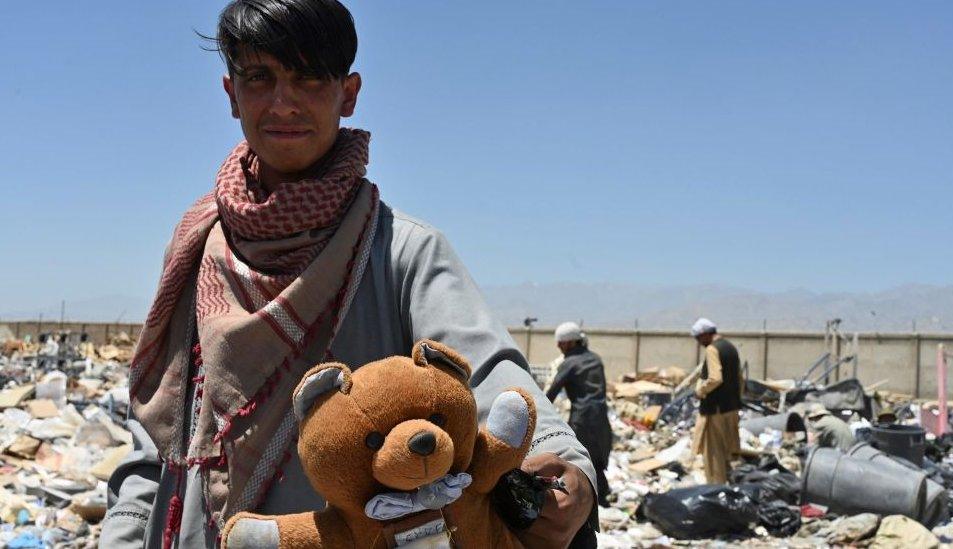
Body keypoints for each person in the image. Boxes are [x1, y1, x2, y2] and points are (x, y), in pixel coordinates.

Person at [99, 2, 596, 547]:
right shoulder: (199, 246)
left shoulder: (398, 251)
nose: (283, 102)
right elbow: (164, 427)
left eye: (309, 76)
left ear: (349, 93)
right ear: (231, 94)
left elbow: (488, 370)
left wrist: (561, 460)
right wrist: (124, 528)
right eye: (259, 77)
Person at [545, 322, 612, 507]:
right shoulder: (596, 359)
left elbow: (552, 392)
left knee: (577, 459)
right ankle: (603, 496)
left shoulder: (569, 363)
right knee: (597, 459)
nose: (559, 347)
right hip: (601, 418)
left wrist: (537, 409)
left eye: (561, 343)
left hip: (582, 418)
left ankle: (579, 500)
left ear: (571, 343)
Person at [690, 318, 742, 484]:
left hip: (716, 409)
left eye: (699, 339)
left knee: (714, 453)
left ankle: (716, 488)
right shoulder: (730, 347)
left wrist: (700, 390)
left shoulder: (712, 349)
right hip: (731, 408)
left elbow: (715, 378)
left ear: (705, 335)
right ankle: (731, 484)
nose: (699, 343)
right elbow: (740, 379)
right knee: (729, 450)